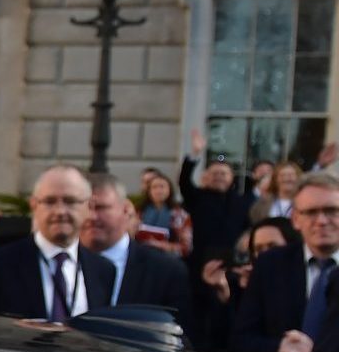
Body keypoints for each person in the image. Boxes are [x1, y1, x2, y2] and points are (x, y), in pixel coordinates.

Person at [0, 165, 114, 323]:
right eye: (50, 202)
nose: (60, 211)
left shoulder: (103, 270)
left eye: (70, 201)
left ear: (90, 206)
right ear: (34, 206)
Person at [230, 172, 339, 352]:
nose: (322, 220)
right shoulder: (270, 264)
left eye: (332, 210)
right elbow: (242, 340)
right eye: (311, 212)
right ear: (296, 219)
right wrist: (282, 350)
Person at [82, 174, 193, 329]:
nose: (91, 216)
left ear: (126, 209)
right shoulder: (51, 264)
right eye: (83, 207)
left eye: (101, 207)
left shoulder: (166, 271)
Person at [179, 130, 255, 270]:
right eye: (214, 173)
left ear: (231, 178)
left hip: (232, 263)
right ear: (206, 177)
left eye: (223, 173)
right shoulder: (197, 196)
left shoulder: (241, 201)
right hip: (200, 262)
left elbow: (249, 226)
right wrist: (195, 154)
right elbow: (184, 181)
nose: (219, 176)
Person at [137, 170, 190, 258]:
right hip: (142, 257)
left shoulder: (180, 214)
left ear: (169, 190)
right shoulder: (139, 212)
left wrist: (163, 246)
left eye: (162, 187)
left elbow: (186, 247)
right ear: (149, 191)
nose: (158, 190)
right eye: (154, 187)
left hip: (169, 259)